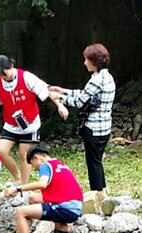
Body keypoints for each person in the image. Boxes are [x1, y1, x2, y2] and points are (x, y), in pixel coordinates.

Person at [0, 55, 69, 186]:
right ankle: (17, 177)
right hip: (11, 124)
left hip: (30, 124)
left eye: (5, 74)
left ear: (11, 66)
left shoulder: (26, 77)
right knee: (1, 151)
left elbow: (47, 91)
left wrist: (60, 105)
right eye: (0, 75)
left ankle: (23, 186)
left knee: (24, 155)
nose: (3, 78)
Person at [49, 43, 116, 213]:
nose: (84, 63)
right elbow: (84, 94)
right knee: (97, 161)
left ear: (94, 61)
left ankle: (99, 198)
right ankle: (105, 195)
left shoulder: (96, 79)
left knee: (92, 163)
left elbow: (80, 102)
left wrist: (59, 98)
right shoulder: (106, 77)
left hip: (93, 128)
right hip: (104, 128)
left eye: (86, 60)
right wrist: (63, 90)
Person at [3, 144, 83, 233]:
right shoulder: (61, 164)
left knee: (20, 213)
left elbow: (42, 184)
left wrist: (17, 189)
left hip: (64, 208)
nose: (35, 169)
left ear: (36, 158)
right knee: (32, 198)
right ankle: (62, 228)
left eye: (33, 165)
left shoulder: (45, 165)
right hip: (75, 207)